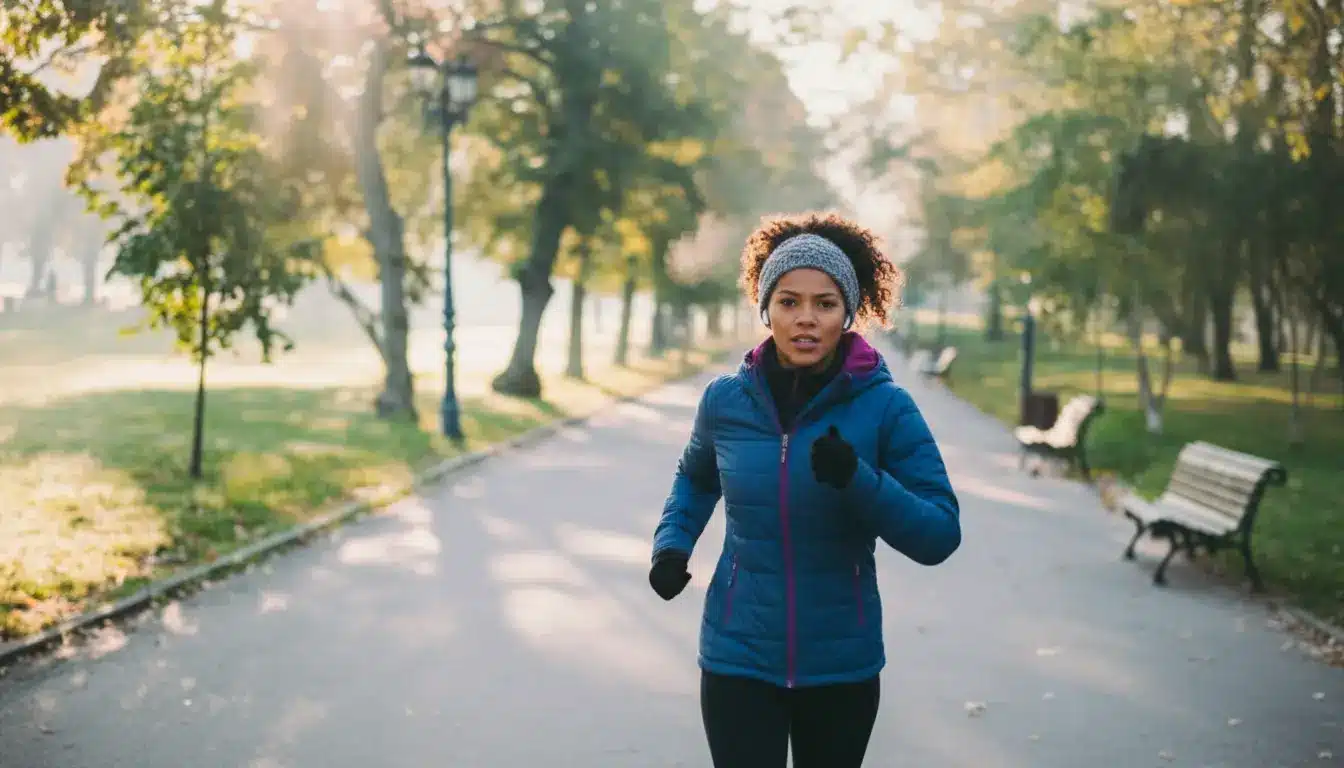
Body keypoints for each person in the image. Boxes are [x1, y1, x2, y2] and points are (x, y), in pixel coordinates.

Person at [648, 212, 962, 768]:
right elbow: (695, 478)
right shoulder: (724, 401)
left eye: (826, 303)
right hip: (737, 653)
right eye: (789, 301)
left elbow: (939, 534)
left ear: (848, 312)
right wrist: (671, 546)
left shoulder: (886, 407)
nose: (806, 319)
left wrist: (858, 480)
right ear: (765, 307)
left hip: (840, 664)